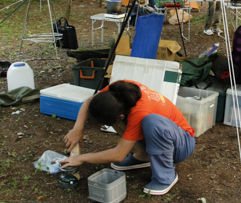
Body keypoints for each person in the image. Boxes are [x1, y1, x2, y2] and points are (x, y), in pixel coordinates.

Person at [61, 80, 195, 196]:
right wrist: (77, 129)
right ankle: (142, 156)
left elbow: (119, 154)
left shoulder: (140, 111)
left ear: (121, 117)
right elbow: (89, 102)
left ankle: (165, 177)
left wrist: (80, 158)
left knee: (152, 122)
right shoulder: (116, 92)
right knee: (119, 113)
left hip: (181, 145)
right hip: (161, 134)